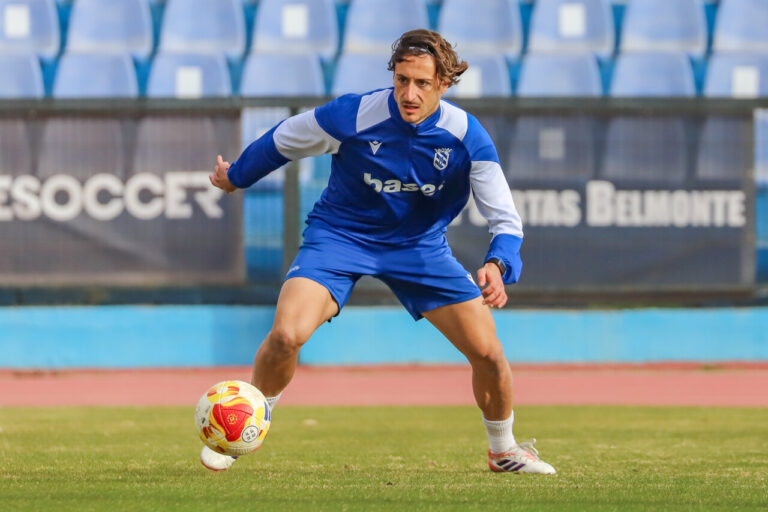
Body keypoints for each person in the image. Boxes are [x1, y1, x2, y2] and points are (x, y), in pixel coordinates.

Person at [205, 29, 555, 475]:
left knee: (489, 355)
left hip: (419, 246)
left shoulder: (468, 137)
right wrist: (237, 175)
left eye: (422, 84)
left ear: (443, 85)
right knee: (287, 335)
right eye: (402, 80)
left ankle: (504, 451)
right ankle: (245, 426)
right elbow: (284, 139)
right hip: (340, 237)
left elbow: (506, 220)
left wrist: (497, 264)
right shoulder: (354, 113)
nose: (409, 93)